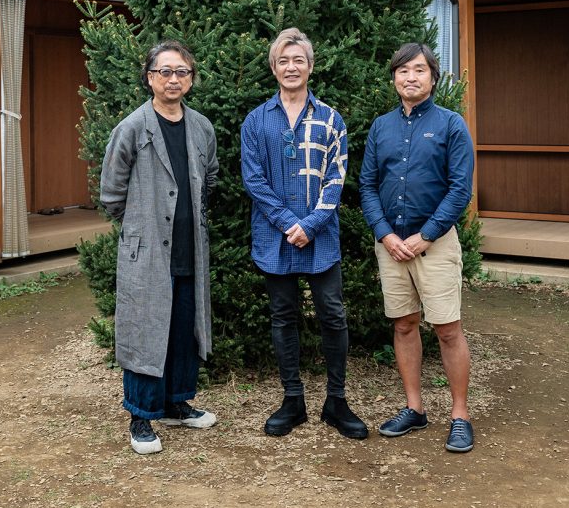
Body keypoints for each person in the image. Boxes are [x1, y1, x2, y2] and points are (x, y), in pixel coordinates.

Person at [241, 27, 368, 440]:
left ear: (310, 66)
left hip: (321, 237)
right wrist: (286, 223)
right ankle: (292, 399)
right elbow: (254, 180)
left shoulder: (331, 119)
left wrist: (310, 224)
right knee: (283, 317)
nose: (291, 67)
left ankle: (337, 400)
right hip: (274, 237)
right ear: (274, 68)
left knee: (332, 314)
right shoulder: (256, 121)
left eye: (298, 60)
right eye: (283, 60)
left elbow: (337, 177)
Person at [100, 40, 219, 455]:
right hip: (147, 251)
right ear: (150, 77)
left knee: (183, 329)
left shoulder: (201, 127)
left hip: (188, 248)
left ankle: (176, 403)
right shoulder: (132, 127)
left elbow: (211, 178)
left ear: (191, 78)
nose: (173, 79)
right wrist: (138, 226)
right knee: (146, 332)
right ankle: (141, 415)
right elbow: (111, 193)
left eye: (181, 72)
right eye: (164, 71)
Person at [359, 42, 475, 453]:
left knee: (447, 329)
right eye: (404, 70)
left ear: (432, 77)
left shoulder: (451, 125)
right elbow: (368, 186)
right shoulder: (380, 127)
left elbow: (460, 189)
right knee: (404, 324)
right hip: (390, 247)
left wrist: (426, 235)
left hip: (436, 245)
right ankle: (414, 408)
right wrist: (386, 235)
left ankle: (459, 415)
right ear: (394, 77)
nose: (411, 77)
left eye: (420, 70)